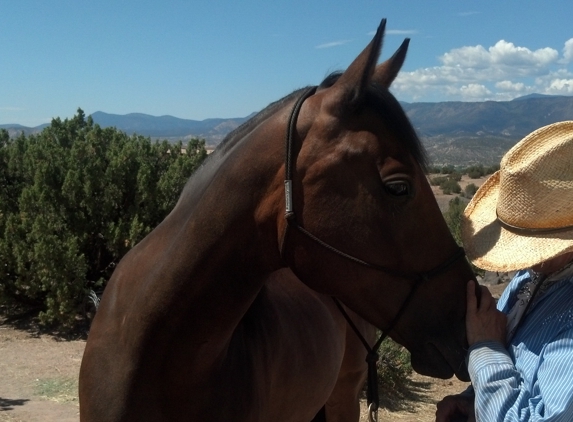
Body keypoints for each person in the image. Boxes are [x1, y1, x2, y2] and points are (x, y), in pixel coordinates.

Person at [435, 121, 573, 422]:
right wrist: (474, 402)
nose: (526, 260)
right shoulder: (529, 278)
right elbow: (518, 369)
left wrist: (485, 349)